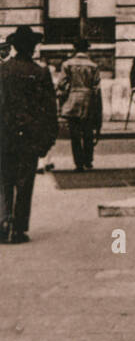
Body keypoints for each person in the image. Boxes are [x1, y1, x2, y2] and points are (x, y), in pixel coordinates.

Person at [0, 25, 58, 243]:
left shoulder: (2, 71)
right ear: (32, 48)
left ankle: (3, 222)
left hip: (4, 135)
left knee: (4, 180)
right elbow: (50, 109)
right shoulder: (40, 72)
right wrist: (49, 138)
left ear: (14, 46)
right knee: (25, 182)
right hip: (30, 136)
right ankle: (18, 228)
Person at [57, 38, 102, 172]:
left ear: (75, 49)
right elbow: (97, 87)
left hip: (73, 101)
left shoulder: (67, 64)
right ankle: (88, 160)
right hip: (89, 102)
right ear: (87, 49)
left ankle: (79, 163)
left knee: (75, 134)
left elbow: (61, 84)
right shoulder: (93, 66)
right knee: (88, 132)